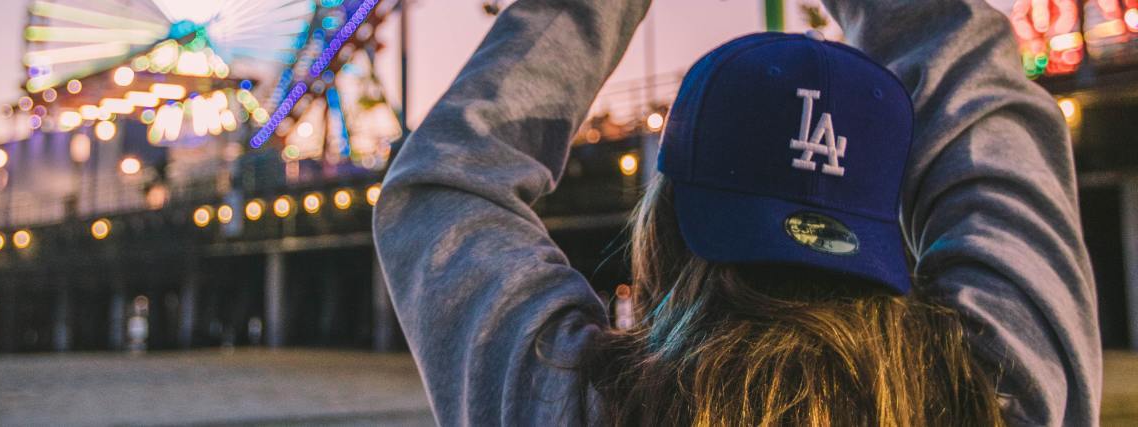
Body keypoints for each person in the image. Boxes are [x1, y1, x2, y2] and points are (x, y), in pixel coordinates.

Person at [372, 0, 1101, 425]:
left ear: (661, 226)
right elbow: (978, 83)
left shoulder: (574, 402)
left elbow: (442, 182)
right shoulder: (1000, 394)